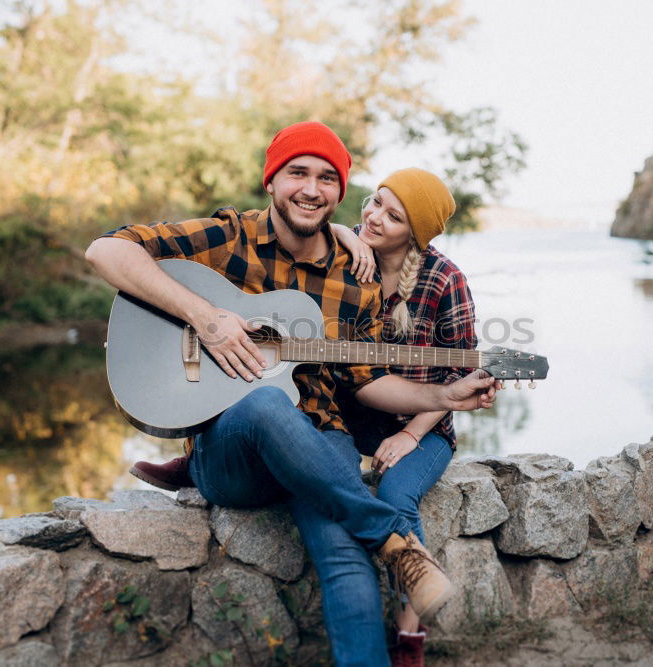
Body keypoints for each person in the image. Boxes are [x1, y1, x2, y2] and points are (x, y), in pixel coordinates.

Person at [85, 121, 498, 667]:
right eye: (297, 172)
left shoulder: (356, 276)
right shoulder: (230, 238)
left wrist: (444, 400)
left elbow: (368, 383)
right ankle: (396, 542)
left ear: (339, 192)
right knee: (263, 403)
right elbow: (105, 252)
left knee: (344, 556)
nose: (311, 188)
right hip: (230, 452)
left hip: (319, 441)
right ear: (271, 181)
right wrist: (205, 318)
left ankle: (380, 565)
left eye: (328, 178)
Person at [330, 168, 475, 666]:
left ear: (414, 233)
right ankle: (199, 451)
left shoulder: (444, 278)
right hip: (350, 413)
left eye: (393, 217)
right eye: (375, 203)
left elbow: (459, 375)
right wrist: (345, 234)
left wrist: (412, 435)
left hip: (425, 425)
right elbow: (307, 235)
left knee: (394, 492)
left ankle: (410, 637)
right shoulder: (346, 256)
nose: (373, 217)